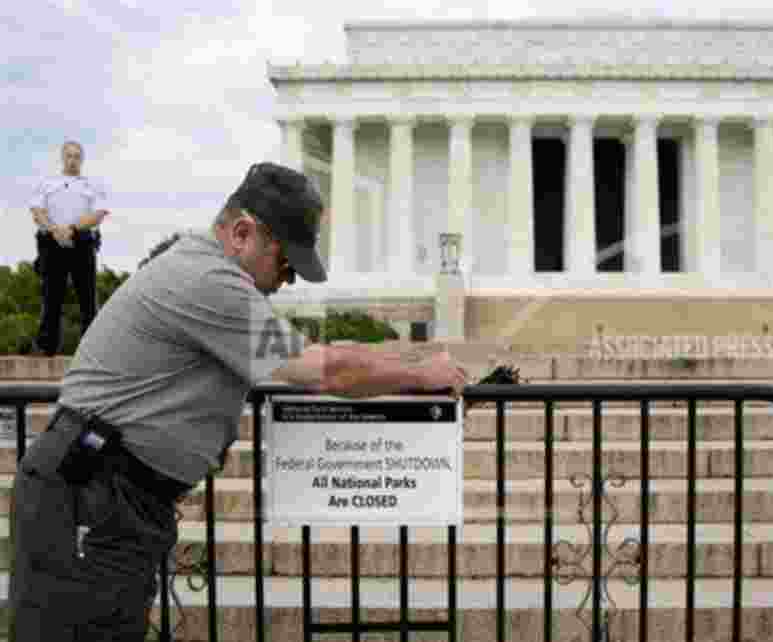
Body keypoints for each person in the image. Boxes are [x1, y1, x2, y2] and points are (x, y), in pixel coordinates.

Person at [10, 162, 468, 641]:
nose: (287, 280)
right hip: (93, 489)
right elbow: (324, 368)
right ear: (243, 233)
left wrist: (408, 364)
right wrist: (417, 371)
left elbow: (316, 356)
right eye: (286, 262)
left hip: (108, 490)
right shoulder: (209, 281)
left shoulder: (204, 272)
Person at [29, 140, 111, 356]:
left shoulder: (92, 184)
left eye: (76, 156)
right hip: (52, 243)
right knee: (51, 297)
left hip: (82, 243)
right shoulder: (47, 183)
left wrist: (73, 228)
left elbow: (99, 214)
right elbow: (37, 211)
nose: (72, 160)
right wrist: (54, 229)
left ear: (81, 160)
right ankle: (45, 347)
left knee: (88, 298)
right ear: (62, 157)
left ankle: (92, 351)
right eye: (69, 156)